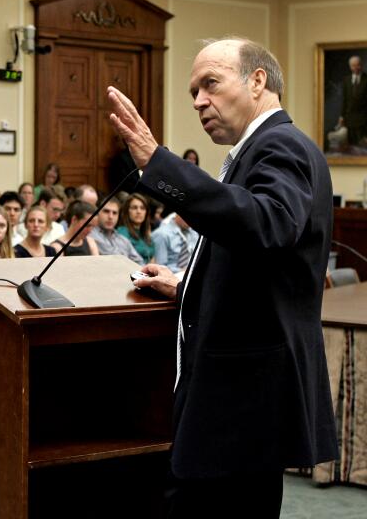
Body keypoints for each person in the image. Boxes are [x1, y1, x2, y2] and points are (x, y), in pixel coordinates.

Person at [108, 37, 337, 517]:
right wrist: (185, 283)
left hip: (245, 396)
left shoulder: (279, 144)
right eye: (194, 92)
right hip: (243, 394)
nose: (198, 102)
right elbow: (255, 256)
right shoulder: (261, 148)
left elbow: (268, 223)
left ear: (257, 81)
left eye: (210, 84)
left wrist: (160, 164)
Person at [89, 196, 143, 264]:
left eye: (114, 213)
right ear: (97, 213)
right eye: (106, 211)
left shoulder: (123, 240)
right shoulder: (90, 235)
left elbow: (140, 262)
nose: (110, 217)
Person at [117, 193, 155, 263]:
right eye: (134, 208)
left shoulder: (146, 233)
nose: (139, 211)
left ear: (146, 212)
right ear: (127, 211)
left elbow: (153, 259)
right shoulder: (122, 232)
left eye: (142, 208)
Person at [339, 55, 367, 146]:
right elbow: (345, 100)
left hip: (363, 118)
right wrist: (342, 116)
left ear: (361, 65)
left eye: (357, 65)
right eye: (353, 65)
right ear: (350, 67)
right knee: (351, 144)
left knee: (362, 144)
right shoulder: (346, 80)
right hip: (349, 117)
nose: (356, 68)